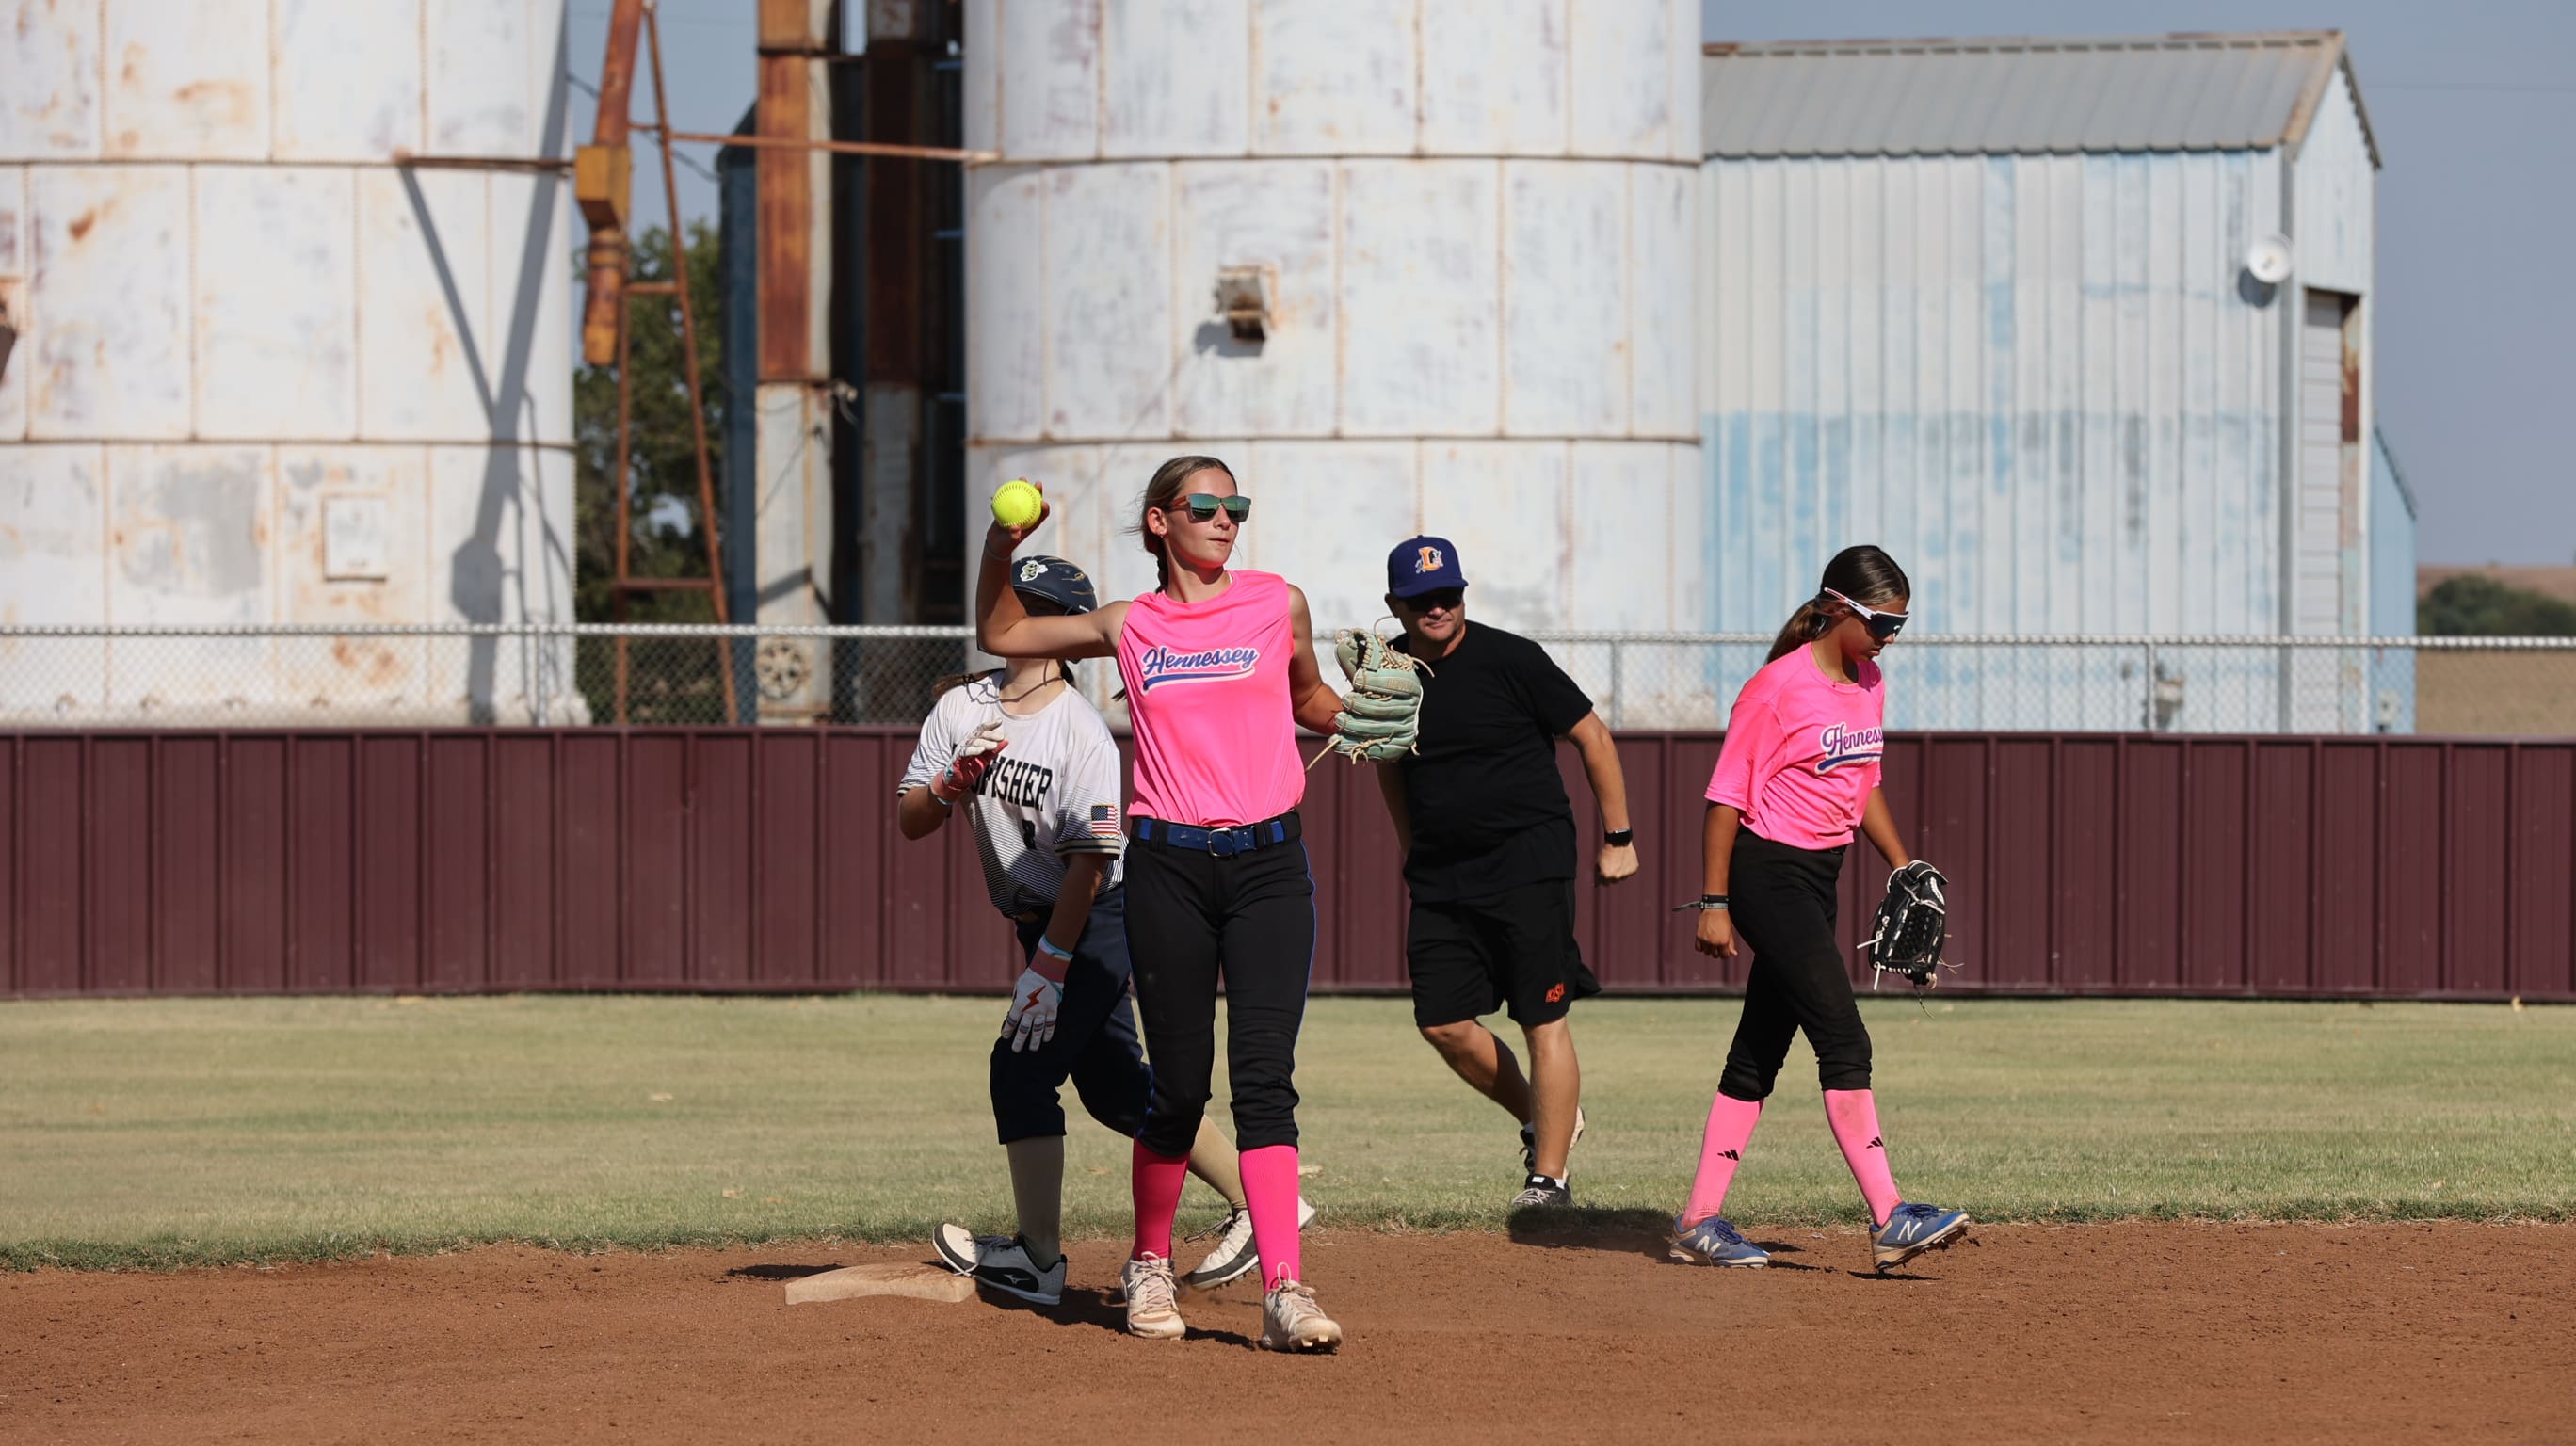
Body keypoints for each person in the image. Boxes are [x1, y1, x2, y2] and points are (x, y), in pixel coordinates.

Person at [974, 457, 1356, 1353]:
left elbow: (1309, 698)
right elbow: (1002, 631)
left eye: (1237, 506)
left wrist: (1369, 715)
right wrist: (1002, 545)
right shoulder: (1129, 623)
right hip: (1170, 869)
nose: (1226, 520)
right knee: (1178, 1086)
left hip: (1270, 866)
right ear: (1159, 523)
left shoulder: (1277, 602)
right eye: (1206, 506)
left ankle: (1286, 1288)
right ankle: (1149, 1264)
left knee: (1265, 1082)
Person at [899, 554, 1307, 1306]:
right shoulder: (959, 708)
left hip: (1098, 916)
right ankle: (1262, 1206)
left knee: (1020, 1068)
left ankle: (1039, 1260)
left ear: (1052, 623)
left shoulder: (1079, 732)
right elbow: (910, 819)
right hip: (1037, 919)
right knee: (1119, 1091)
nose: (1008, 615)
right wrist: (950, 783)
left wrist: (1051, 963)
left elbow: (1092, 860)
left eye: (1026, 604)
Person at [1669, 545, 1972, 1273]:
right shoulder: (1774, 689)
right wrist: (1715, 903)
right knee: (1844, 1040)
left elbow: (1861, 782)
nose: (1888, 637)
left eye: (1900, 624)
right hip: (1767, 877)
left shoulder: (1869, 681)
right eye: (1880, 621)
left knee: (1759, 1052)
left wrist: (1902, 863)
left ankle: (1698, 1221)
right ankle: (1891, 1215)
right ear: (1837, 606)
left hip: (1820, 878)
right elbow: (1723, 802)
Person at [1369, 536, 1637, 1208]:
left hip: (1528, 863)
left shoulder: (1511, 658)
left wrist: (1619, 837)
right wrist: (1411, 848)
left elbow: (1592, 736)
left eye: (1449, 594)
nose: (1439, 607)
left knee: (1540, 1018)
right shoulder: (1389, 672)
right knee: (1443, 1023)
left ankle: (1549, 1180)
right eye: (1423, 598)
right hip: (1441, 873)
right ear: (1394, 605)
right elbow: (1388, 767)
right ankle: (1547, 1116)